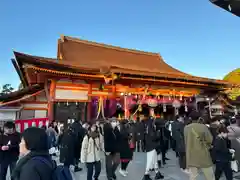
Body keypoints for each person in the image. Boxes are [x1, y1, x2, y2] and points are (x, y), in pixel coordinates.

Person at [184, 111, 215, 180]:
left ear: (190, 118)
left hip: (191, 155)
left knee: (193, 176)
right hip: (203, 154)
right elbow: (210, 139)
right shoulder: (203, 127)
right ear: (199, 118)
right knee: (210, 176)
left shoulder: (186, 128)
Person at [142, 109, 164, 180]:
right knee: (150, 159)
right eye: (152, 111)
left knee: (154, 159)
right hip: (151, 144)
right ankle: (146, 174)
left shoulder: (147, 122)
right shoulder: (151, 123)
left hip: (149, 143)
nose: (154, 113)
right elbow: (152, 135)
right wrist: (157, 134)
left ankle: (157, 173)